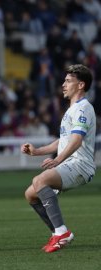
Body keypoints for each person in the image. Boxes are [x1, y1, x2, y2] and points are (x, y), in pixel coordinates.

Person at [21, 64, 95, 253]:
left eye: (69, 81)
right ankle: (58, 233)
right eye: (64, 80)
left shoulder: (83, 108)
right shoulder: (72, 110)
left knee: (40, 180)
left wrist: (58, 159)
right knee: (31, 194)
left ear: (81, 85)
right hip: (71, 162)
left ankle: (61, 232)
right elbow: (63, 140)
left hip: (80, 165)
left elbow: (77, 141)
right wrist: (37, 152)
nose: (63, 84)